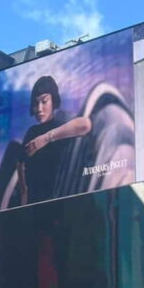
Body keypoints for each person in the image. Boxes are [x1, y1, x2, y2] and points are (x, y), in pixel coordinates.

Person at [18, 76, 92, 205]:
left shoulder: (62, 124)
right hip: (36, 207)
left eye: (44, 101)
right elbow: (21, 166)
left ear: (54, 100)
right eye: (36, 103)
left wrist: (47, 138)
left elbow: (85, 125)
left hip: (65, 202)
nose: (39, 108)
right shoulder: (31, 132)